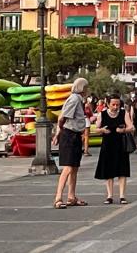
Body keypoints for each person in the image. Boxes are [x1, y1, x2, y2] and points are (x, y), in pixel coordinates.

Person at [52, 77, 90, 209]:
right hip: (69, 134)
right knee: (68, 167)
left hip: (74, 134)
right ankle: (58, 197)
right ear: (82, 89)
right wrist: (60, 132)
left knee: (74, 167)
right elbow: (62, 117)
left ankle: (71, 196)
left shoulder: (77, 100)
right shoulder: (74, 100)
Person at [94, 94, 134, 204]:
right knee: (108, 171)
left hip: (121, 145)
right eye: (113, 104)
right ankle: (110, 195)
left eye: (118, 104)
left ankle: (122, 195)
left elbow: (131, 127)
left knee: (122, 171)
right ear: (108, 104)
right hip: (107, 145)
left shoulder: (123, 113)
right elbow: (96, 128)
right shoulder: (102, 114)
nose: (116, 107)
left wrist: (123, 130)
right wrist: (102, 130)